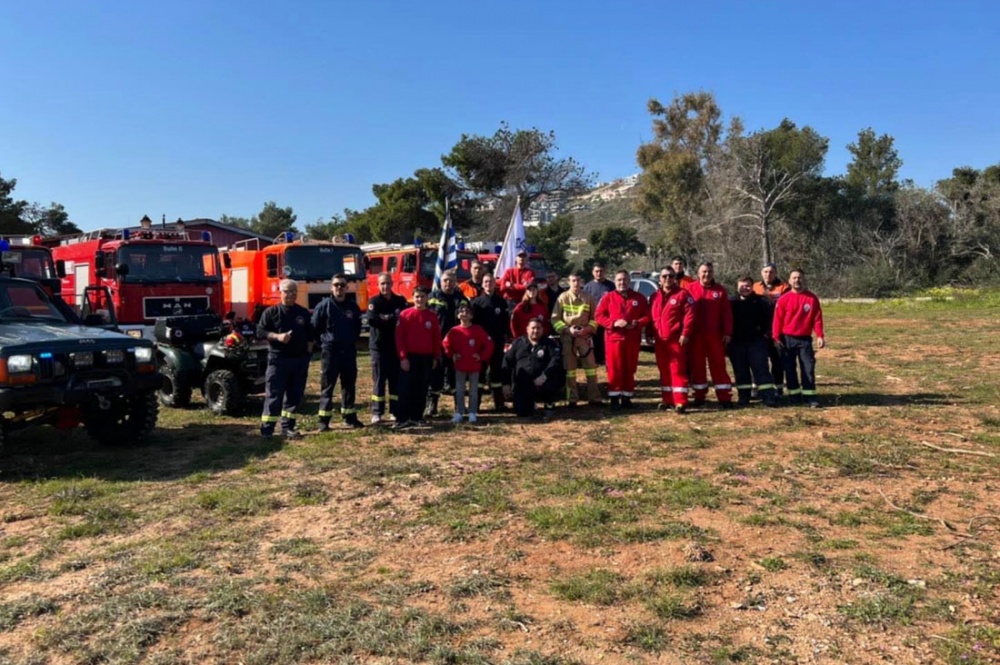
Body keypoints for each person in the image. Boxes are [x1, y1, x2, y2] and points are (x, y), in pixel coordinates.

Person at [257, 279, 313, 438]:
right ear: (280, 292)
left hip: (299, 361)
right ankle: (267, 429)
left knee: (294, 396)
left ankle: (288, 427)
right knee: (274, 395)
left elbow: (310, 335)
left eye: (294, 291)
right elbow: (260, 331)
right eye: (287, 291)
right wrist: (277, 336)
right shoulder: (271, 312)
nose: (291, 294)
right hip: (278, 360)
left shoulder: (302, 312)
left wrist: (307, 356)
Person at [312, 274, 364, 431]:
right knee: (327, 386)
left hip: (348, 351)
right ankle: (324, 421)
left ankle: (349, 417)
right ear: (331, 287)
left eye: (342, 285)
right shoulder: (324, 306)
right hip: (330, 352)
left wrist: (350, 340)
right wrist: (324, 342)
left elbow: (357, 328)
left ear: (347, 287)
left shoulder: (353, 307)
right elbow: (314, 327)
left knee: (349, 385)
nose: (339, 288)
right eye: (336, 285)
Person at [595, 270, 650, 410]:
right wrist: (613, 323)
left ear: (629, 281)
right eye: (619, 280)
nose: (622, 282)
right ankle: (614, 399)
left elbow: (647, 316)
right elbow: (599, 316)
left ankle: (626, 398)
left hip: (632, 339)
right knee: (615, 369)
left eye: (625, 279)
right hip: (613, 339)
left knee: (629, 368)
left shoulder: (639, 298)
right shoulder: (608, 297)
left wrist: (637, 323)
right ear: (615, 282)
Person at [772, 268, 826, 408]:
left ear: (804, 279)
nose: (797, 280)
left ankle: (810, 397)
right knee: (790, 369)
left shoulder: (812, 298)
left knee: (808, 368)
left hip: (805, 340)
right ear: (789, 281)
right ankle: (794, 396)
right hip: (787, 339)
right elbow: (777, 320)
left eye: (800, 277)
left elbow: (817, 319)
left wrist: (820, 335)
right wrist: (776, 337)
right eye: (794, 278)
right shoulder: (784, 299)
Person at [686, 262, 734, 408]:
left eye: (710, 271)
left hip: (715, 335)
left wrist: (727, 332)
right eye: (704, 271)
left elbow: (726, 313)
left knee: (718, 365)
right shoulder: (689, 289)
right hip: (695, 336)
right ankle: (699, 396)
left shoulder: (720, 290)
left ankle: (724, 397)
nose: (707, 274)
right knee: (697, 366)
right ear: (698, 273)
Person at [394, 287, 442, 429]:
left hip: (426, 357)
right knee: (405, 388)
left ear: (427, 298)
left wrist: (436, 357)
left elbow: (436, 338)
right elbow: (399, 338)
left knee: (422, 388)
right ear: (413, 298)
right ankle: (402, 418)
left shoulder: (432, 316)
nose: (419, 299)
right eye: (417, 296)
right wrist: (403, 358)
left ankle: (417, 417)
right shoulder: (405, 315)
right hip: (410, 357)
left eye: (422, 296)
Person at [551, 271, 601, 406]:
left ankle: (594, 398)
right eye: (573, 280)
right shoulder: (562, 298)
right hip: (568, 338)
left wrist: (588, 329)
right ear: (569, 282)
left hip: (585, 337)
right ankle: (572, 399)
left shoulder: (588, 297)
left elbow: (595, 318)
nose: (576, 283)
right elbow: (555, 320)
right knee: (570, 370)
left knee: (591, 368)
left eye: (578, 280)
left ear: (581, 282)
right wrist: (568, 330)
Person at [366, 272, 409, 424]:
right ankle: (377, 412)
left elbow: (404, 319)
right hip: (378, 347)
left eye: (387, 283)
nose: (385, 286)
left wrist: (385, 318)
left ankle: (394, 411)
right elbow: (373, 320)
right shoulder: (374, 301)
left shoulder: (400, 300)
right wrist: (392, 318)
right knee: (379, 380)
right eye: (382, 283)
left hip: (395, 346)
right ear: (378, 285)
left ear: (392, 284)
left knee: (395, 381)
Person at [729, 277, 778, 407]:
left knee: (761, 369)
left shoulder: (762, 301)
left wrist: (766, 334)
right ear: (737, 287)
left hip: (756, 342)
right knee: (741, 371)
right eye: (742, 286)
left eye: (748, 286)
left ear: (752, 287)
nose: (745, 288)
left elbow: (771, 319)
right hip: (737, 343)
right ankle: (744, 396)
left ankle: (768, 396)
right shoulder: (731, 302)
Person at [651, 268, 695, 413]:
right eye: (664, 276)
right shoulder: (655, 296)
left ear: (675, 278)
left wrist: (685, 333)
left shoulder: (683, 294)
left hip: (676, 339)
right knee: (664, 370)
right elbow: (652, 317)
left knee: (678, 370)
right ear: (660, 278)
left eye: (671, 276)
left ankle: (680, 401)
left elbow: (689, 315)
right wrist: (650, 333)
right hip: (660, 340)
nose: (667, 278)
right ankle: (667, 399)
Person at [442, 302, 494, 424]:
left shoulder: (478, 329)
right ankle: (459, 412)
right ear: (458, 315)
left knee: (473, 390)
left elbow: (489, 344)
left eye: (467, 312)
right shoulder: (454, 331)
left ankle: (472, 412)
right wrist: (452, 354)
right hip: (460, 365)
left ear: (471, 316)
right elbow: (445, 344)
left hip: (474, 365)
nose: (464, 313)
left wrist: (481, 356)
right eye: (462, 311)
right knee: (459, 389)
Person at [427, 271, 469, 416]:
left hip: (456, 343)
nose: (448, 283)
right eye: (445, 280)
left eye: (451, 280)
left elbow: (469, 316)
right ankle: (432, 405)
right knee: (435, 374)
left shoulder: (461, 299)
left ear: (455, 281)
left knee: (456, 374)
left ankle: (459, 405)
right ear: (440, 281)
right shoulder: (432, 298)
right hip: (437, 342)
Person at [502, 319, 564, 418]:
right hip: (522, 383)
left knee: (553, 380)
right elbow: (507, 362)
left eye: (538, 328)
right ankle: (530, 405)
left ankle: (549, 404)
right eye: (533, 328)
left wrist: (544, 376)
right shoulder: (518, 343)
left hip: (542, 381)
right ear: (527, 329)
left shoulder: (550, 343)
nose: (535, 331)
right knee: (522, 413)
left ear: (542, 330)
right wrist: (506, 384)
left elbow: (555, 361)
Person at [471, 272, 510, 411]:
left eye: (491, 282)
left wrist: (506, 337)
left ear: (495, 284)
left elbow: (506, 322)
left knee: (496, 371)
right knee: (480, 373)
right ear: (482, 284)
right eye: (486, 282)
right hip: (481, 343)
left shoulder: (501, 302)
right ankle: (475, 404)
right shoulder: (476, 303)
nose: (488, 284)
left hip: (497, 341)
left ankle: (499, 403)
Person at [753, 262, 791, 395]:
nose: (768, 274)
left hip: (778, 330)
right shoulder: (755, 287)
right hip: (760, 331)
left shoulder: (784, 287)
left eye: (771, 272)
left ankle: (778, 387)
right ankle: (757, 386)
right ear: (761, 273)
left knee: (777, 360)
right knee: (758, 360)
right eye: (765, 272)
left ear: (775, 273)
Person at [582, 263, 615, 364]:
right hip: (592, 319)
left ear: (605, 271)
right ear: (593, 272)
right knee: (594, 340)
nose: (599, 273)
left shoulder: (611, 286)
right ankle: (595, 359)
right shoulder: (588, 287)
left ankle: (605, 358)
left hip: (606, 318)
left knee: (604, 340)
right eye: (596, 271)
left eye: (601, 271)